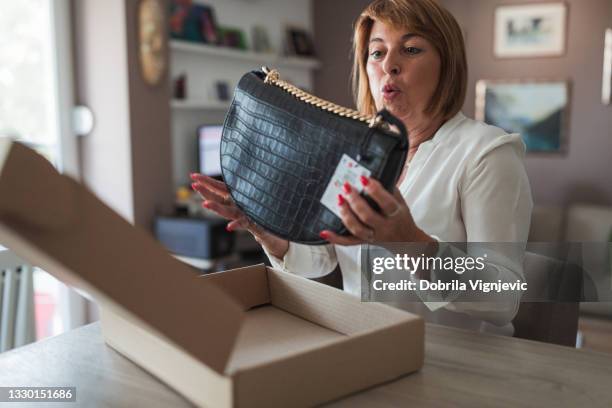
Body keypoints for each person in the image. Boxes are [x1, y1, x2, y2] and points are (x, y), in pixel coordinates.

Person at [191, 0, 532, 335]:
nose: (389, 65)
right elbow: (321, 259)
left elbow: (501, 300)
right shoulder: (354, 154)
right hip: (365, 350)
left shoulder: (487, 153)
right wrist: (264, 230)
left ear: (448, 64)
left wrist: (407, 241)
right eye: (377, 52)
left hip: (460, 371)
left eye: (411, 49)